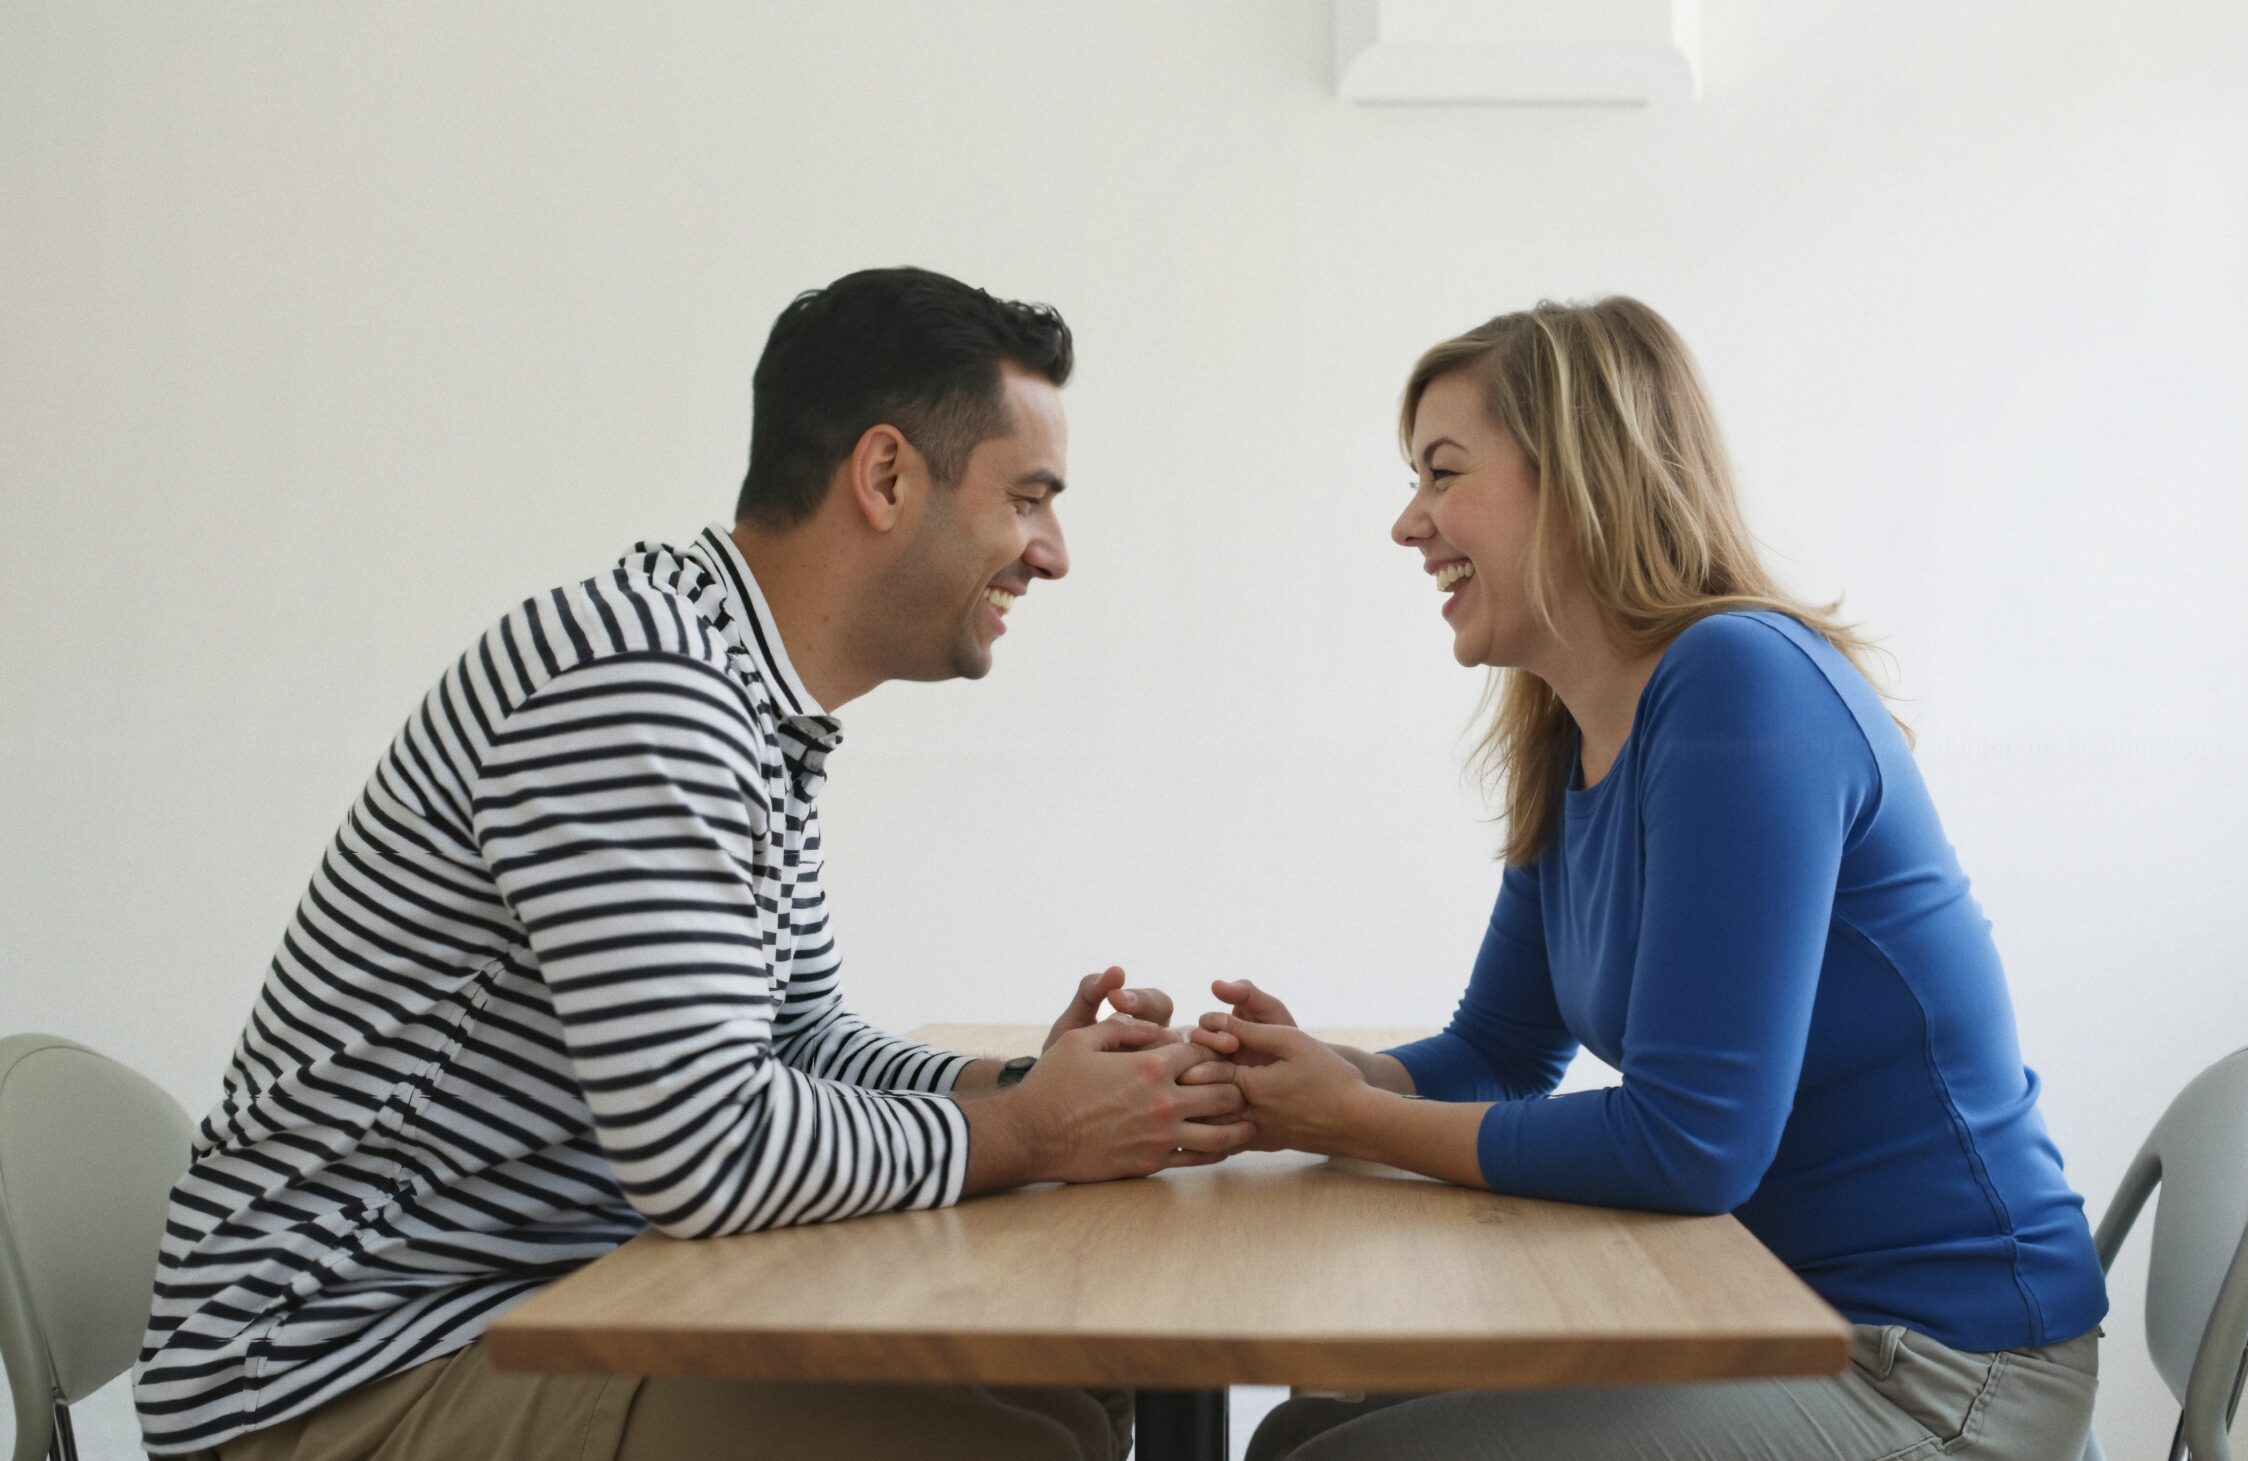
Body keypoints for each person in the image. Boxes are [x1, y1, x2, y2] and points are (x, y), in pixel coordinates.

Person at [137, 267, 1252, 1461]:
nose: (1054, 553)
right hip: (331, 1376)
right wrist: (1033, 1138)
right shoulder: (639, 689)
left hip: (514, 1316)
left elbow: (797, 1044)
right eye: (1029, 498)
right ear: (885, 477)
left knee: (1062, 1404)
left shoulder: (732, 689)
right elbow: (707, 1149)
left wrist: (1025, 1092)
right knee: (1018, 1445)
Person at [1187, 297, 2108, 1461]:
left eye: (1442, 472)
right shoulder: (1573, 729)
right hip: (1773, 1316)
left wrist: (1352, 1119)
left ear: (1573, 480)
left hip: (1939, 1370)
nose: (1407, 523)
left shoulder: (1741, 685)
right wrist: (1307, 1081)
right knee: (1300, 1437)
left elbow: (1691, 1145)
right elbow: (1500, 1055)